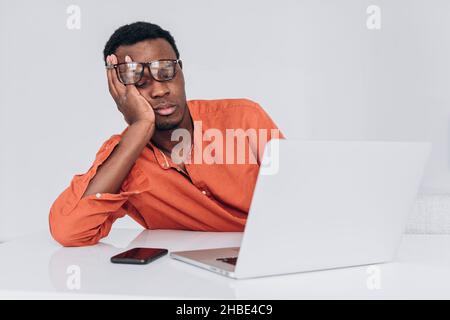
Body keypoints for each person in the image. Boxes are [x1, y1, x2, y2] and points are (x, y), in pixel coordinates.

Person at [49, 21, 283, 247]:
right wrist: (140, 126)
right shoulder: (124, 155)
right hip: (182, 277)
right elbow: (69, 231)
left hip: (270, 257)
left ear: (180, 71)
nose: (159, 90)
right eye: (138, 80)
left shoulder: (244, 119)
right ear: (119, 92)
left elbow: (300, 196)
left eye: (166, 71)